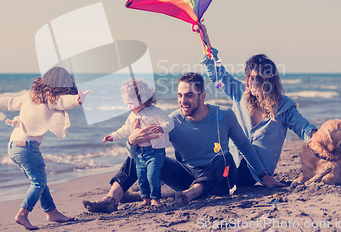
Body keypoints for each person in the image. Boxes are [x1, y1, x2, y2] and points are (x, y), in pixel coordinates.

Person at [82, 72, 283, 213]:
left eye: (188, 95)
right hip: (186, 178)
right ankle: (111, 199)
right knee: (146, 153)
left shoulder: (224, 115)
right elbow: (139, 153)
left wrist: (263, 176)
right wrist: (131, 141)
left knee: (224, 156)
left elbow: (244, 146)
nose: (182, 100)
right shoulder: (172, 122)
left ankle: (192, 193)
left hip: (221, 179)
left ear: (202, 96)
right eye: (179, 95)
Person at [195, 22, 317, 187]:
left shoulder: (284, 106)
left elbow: (304, 128)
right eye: (249, 77)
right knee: (200, 169)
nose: (251, 82)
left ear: (268, 80)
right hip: (230, 162)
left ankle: (195, 187)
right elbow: (216, 72)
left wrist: (323, 138)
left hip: (255, 174)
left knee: (212, 179)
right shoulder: (240, 93)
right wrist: (204, 38)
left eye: (257, 78)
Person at [0, 67, 89, 230]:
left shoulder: (31, 96)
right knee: (38, 182)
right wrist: (77, 99)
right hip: (27, 147)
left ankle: (52, 212)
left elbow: (9, 101)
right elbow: (63, 102)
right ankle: (22, 214)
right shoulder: (51, 98)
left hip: (14, 146)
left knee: (40, 180)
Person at [102, 79, 174, 206]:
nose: (129, 107)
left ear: (143, 98)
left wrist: (162, 128)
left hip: (155, 152)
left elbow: (169, 122)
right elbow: (125, 129)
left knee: (152, 176)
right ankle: (145, 199)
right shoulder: (132, 115)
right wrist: (113, 136)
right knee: (141, 177)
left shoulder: (155, 111)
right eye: (127, 103)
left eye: (131, 103)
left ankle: (156, 199)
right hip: (140, 153)